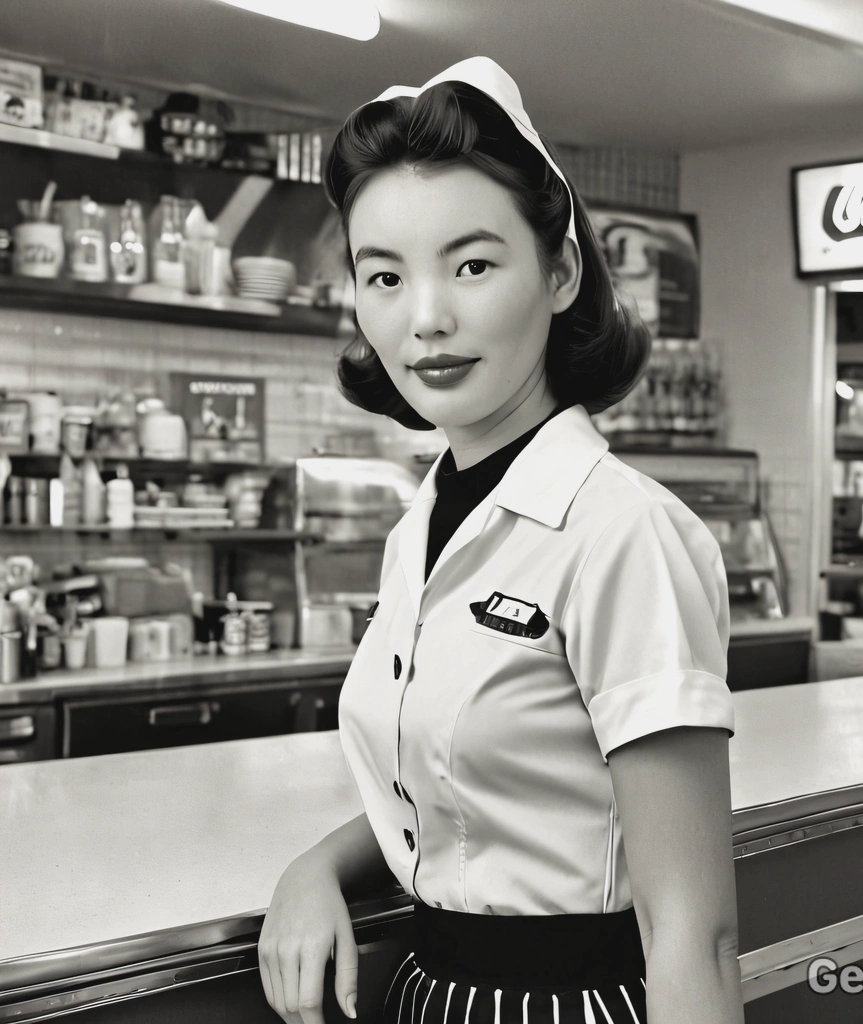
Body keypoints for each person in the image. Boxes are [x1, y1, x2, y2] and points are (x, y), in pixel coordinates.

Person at [258, 57, 743, 1024]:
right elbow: (454, 780)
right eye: (384, 275)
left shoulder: (623, 534)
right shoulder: (422, 527)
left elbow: (696, 934)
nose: (426, 318)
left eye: (472, 264)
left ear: (560, 271)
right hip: (430, 993)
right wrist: (316, 866)